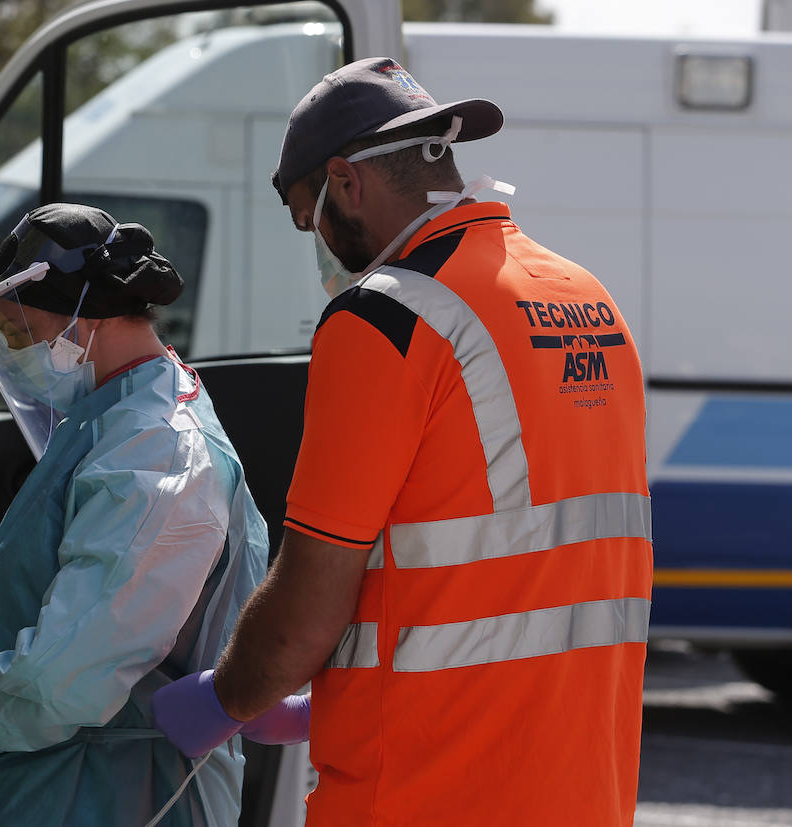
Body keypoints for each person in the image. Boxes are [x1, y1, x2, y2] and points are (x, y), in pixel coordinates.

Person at [152, 57, 654, 826]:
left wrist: (226, 696)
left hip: (427, 792)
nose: (314, 239)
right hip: (583, 788)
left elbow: (306, 608)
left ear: (346, 183)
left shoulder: (384, 321)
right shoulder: (589, 301)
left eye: (305, 214)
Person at [0, 203, 272, 826]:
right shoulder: (119, 418)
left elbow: (75, 663)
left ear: (82, 311)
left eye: (20, 332)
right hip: (79, 774)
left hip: (124, 788)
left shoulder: (157, 446)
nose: (16, 354)